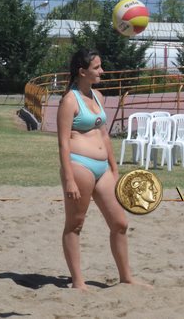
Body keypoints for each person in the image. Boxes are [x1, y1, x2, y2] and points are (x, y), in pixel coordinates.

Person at [57, 48, 146, 290]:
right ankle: (78, 282)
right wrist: (69, 179)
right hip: (79, 166)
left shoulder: (98, 96)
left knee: (120, 223)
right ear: (82, 71)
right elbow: (63, 143)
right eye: (96, 67)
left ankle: (126, 277)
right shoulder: (69, 100)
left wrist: (114, 169)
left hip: (102, 168)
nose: (102, 71)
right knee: (75, 225)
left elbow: (104, 135)